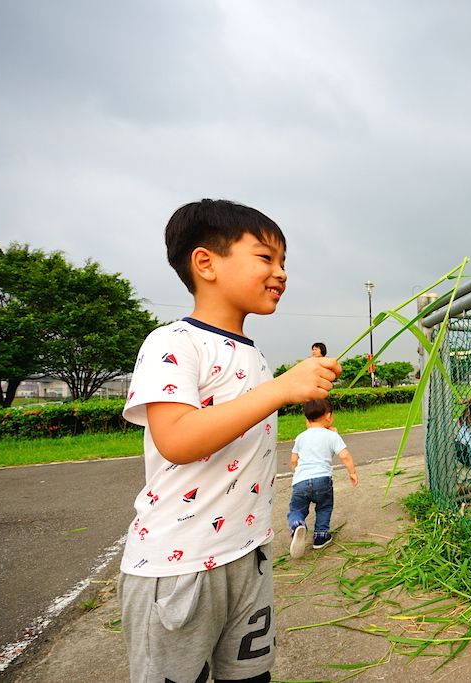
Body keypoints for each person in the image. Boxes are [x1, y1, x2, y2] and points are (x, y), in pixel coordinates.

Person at [119, 199, 341, 683]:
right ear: (206, 263)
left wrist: (281, 386)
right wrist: (282, 389)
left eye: (284, 263)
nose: (281, 273)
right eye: (266, 258)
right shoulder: (173, 342)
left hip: (249, 555)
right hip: (180, 567)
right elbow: (177, 439)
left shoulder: (253, 355)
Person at [287, 397, 359, 556]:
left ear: (307, 419)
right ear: (328, 417)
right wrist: (352, 473)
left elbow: (293, 460)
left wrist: (298, 472)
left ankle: (297, 524)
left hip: (300, 481)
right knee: (324, 507)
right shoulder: (332, 436)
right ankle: (320, 536)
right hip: (323, 480)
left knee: (297, 509)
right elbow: (345, 456)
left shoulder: (300, 437)